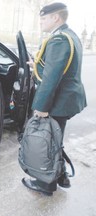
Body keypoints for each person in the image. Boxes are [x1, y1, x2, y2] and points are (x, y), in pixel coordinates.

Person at [22, 2, 87, 196]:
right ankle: (61, 175)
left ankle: (45, 184)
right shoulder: (70, 35)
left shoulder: (59, 40)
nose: (40, 22)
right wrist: (37, 66)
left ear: (55, 18)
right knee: (55, 140)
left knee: (48, 142)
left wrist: (41, 107)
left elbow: (51, 78)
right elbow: (59, 69)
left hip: (57, 102)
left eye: (43, 18)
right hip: (66, 99)